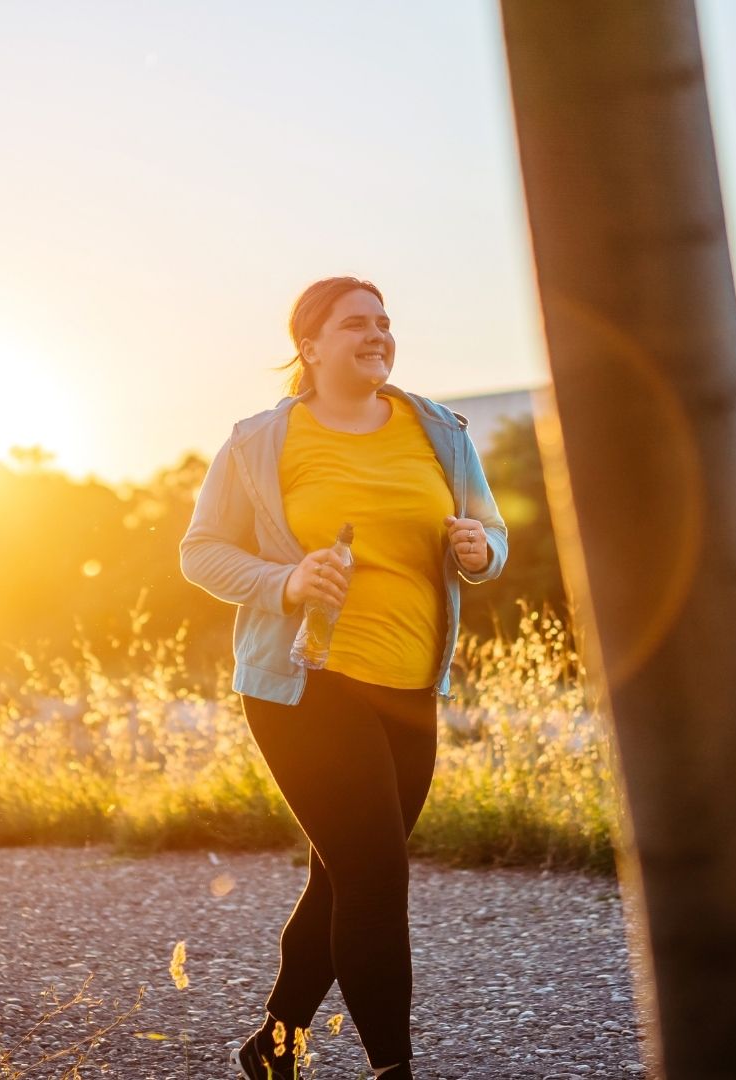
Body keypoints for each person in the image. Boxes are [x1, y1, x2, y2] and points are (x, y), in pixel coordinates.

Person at [180, 277, 508, 1079]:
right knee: (375, 875)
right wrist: (284, 583)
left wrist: (480, 552)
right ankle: (392, 1070)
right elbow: (201, 551)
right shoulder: (260, 441)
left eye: (385, 323)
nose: (377, 334)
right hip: (303, 687)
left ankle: (273, 1046)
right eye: (356, 323)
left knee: (343, 879)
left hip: (410, 688)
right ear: (310, 345)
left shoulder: (437, 429)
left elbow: (492, 531)